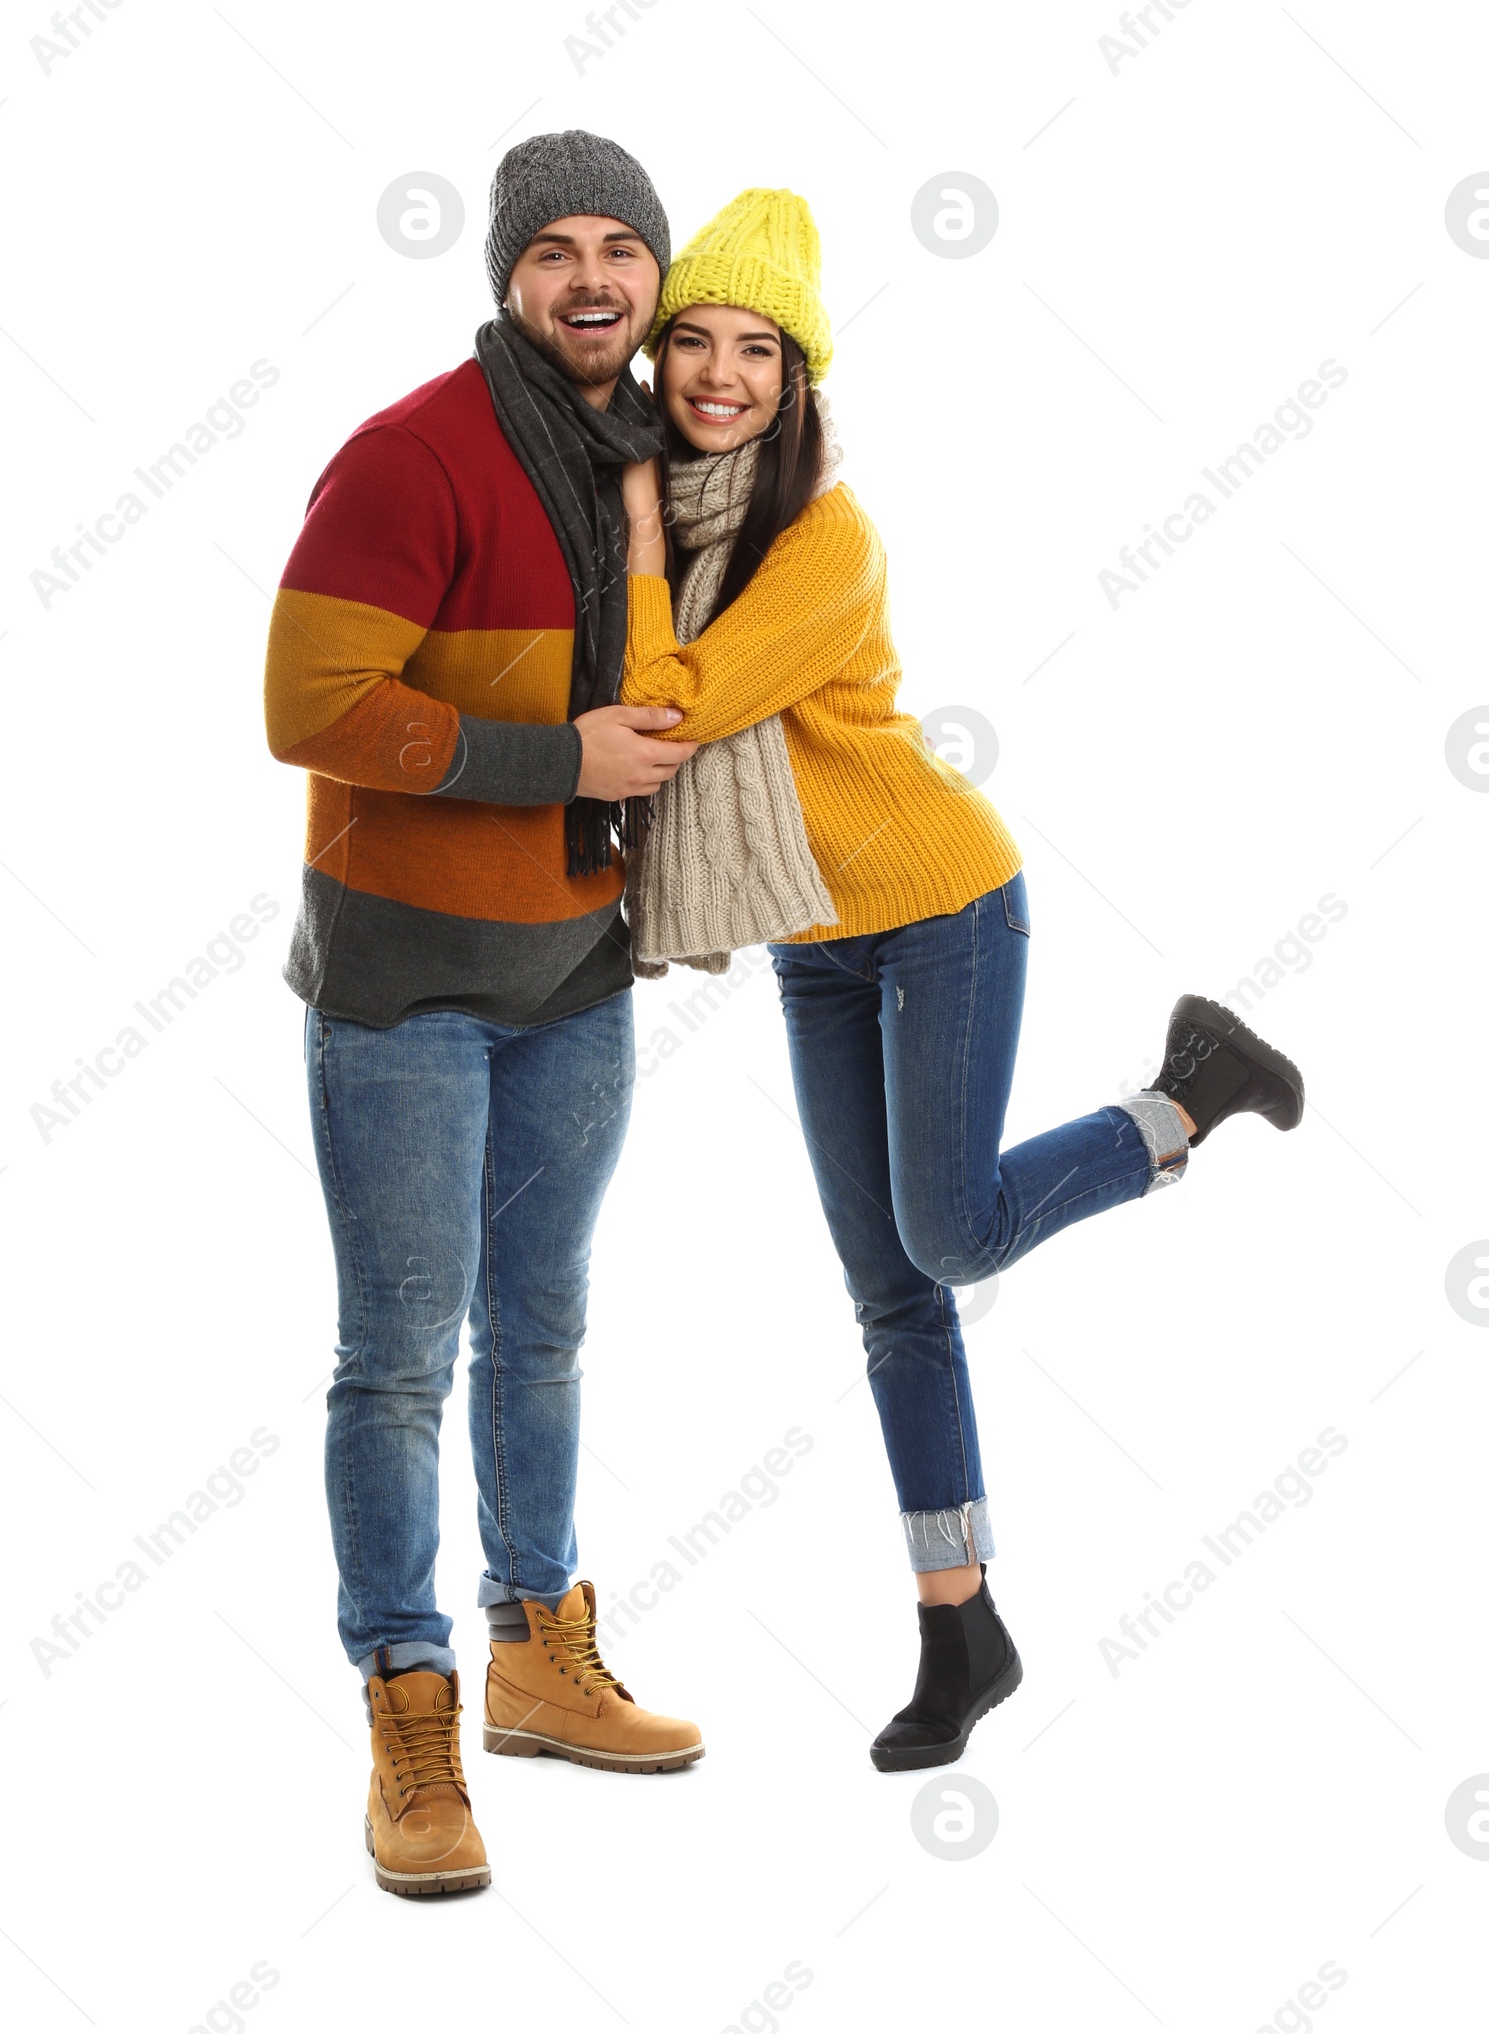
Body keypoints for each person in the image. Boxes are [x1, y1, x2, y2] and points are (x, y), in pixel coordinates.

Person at [617, 188, 1305, 1774]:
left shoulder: (818, 539)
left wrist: (644, 540)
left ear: (798, 383)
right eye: (694, 344)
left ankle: (1189, 1091)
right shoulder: (663, 520)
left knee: (946, 1227)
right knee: (892, 1297)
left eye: (755, 352)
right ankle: (959, 1624)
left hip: (939, 901)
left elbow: (671, 702)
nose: (720, 373)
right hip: (816, 940)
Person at [263, 130, 705, 1901]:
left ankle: (540, 1643)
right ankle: (412, 1706)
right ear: (510, 276)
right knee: (399, 1356)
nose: (592, 279)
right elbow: (308, 701)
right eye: (557, 252)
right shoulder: (413, 454)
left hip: (576, 972)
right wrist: (560, 759)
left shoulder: (642, 461)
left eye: (621, 248)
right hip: (402, 986)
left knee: (544, 1333)